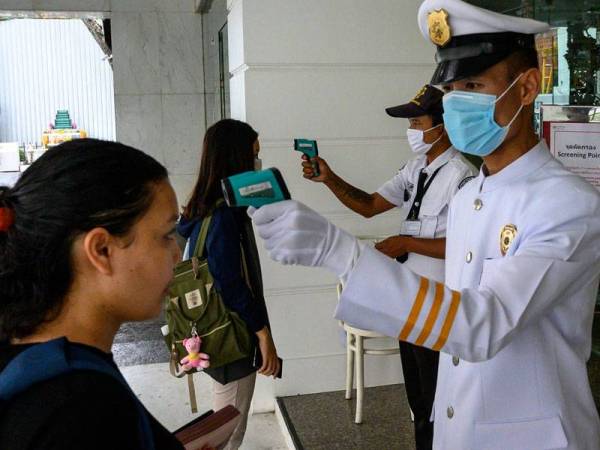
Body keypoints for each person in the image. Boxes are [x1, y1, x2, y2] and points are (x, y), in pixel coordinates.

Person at [248, 1, 600, 449]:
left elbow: (484, 323)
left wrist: (340, 253)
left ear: (527, 86)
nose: (456, 103)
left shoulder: (568, 204)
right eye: (451, 89)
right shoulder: (473, 192)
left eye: (473, 84)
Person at [300, 84, 476, 450]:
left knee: (438, 399)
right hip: (407, 301)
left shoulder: (464, 176)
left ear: (442, 126)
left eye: (417, 122)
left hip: (440, 306)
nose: (412, 131)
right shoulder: (415, 169)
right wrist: (328, 177)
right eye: (410, 123)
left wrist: (406, 243)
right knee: (417, 399)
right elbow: (368, 205)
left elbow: (469, 247)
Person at [0, 139, 205, 449]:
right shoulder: (80, 414)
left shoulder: (24, 354)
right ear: (101, 250)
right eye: (165, 236)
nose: (177, 254)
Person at [178, 119, 280, 450]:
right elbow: (229, 283)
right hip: (231, 335)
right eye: (253, 156)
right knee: (227, 434)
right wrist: (262, 334)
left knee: (223, 424)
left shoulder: (200, 210)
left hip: (211, 332)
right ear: (237, 159)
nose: (257, 165)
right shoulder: (221, 216)